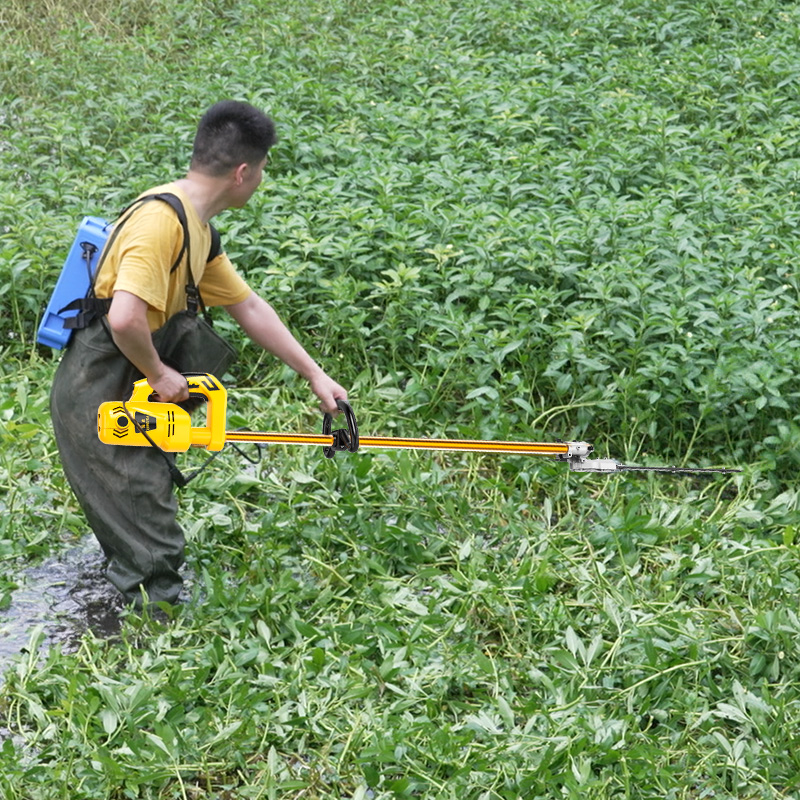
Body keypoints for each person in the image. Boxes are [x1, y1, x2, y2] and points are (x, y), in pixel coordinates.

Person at [50, 100, 347, 608]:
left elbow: (247, 306)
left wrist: (315, 375)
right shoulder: (160, 223)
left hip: (123, 385)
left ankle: (129, 605)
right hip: (98, 390)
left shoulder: (196, 227)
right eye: (263, 171)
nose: (261, 181)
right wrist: (160, 373)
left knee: (139, 516)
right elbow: (124, 318)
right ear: (242, 171)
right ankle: (150, 645)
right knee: (149, 534)